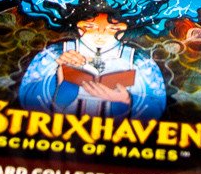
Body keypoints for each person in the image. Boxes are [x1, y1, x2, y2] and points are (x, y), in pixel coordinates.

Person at [19, 11, 167, 119]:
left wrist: (124, 101)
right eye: (91, 26)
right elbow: (27, 95)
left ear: (123, 30)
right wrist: (58, 80)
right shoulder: (56, 53)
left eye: (112, 29)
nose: (100, 34)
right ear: (79, 27)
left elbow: (156, 104)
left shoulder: (139, 60)